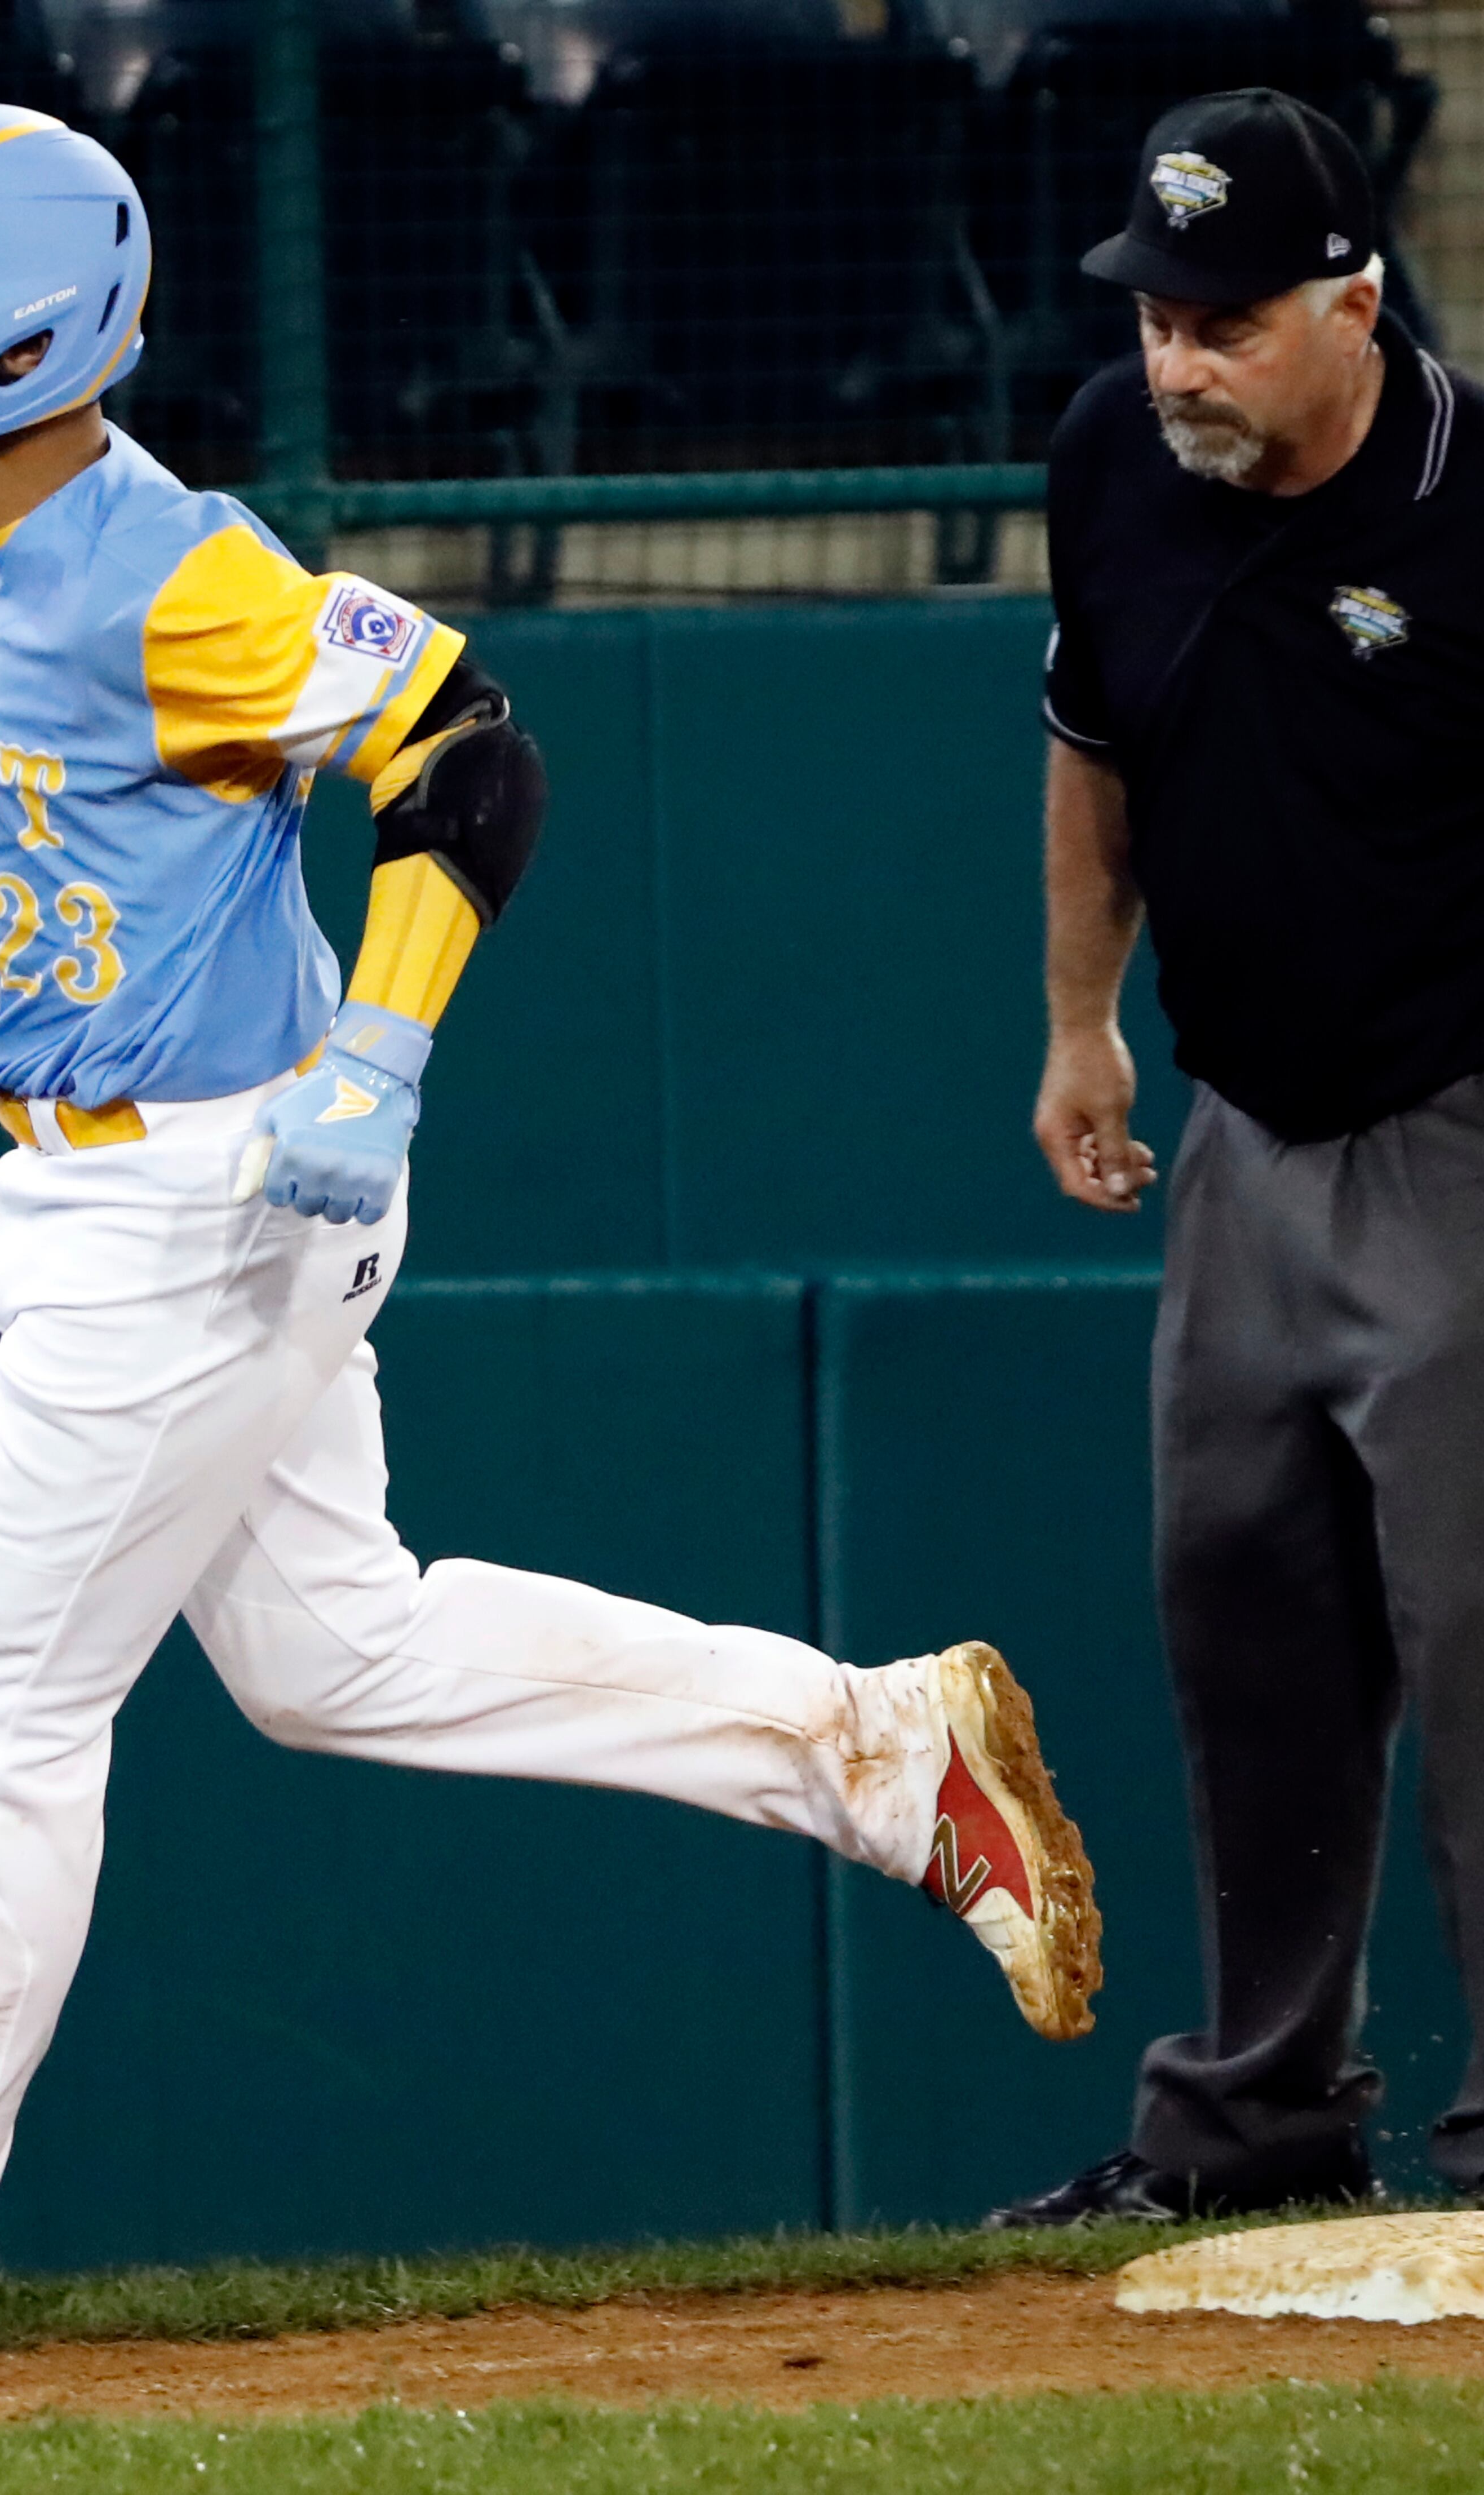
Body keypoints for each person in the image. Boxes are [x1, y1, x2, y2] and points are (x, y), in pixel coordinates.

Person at [0, 105, 1102, 2387]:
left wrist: (379, 1051)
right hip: (116, 1185)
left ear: (14, 336)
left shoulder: (172, 568)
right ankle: (874, 1745)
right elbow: (20, 852)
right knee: (336, 1655)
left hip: (212, 1190)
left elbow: (470, 754)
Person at [998, 88, 1484, 2225]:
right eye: (1158, 311)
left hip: (1459, 1126)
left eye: (1226, 320)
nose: (1176, 359)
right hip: (1241, 1124)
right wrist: (1081, 1022)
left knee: (1479, 1637)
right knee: (1245, 1620)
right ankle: (1261, 2124)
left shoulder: (1483, 501)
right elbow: (1090, 739)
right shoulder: (1115, 454)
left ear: (1357, 303)